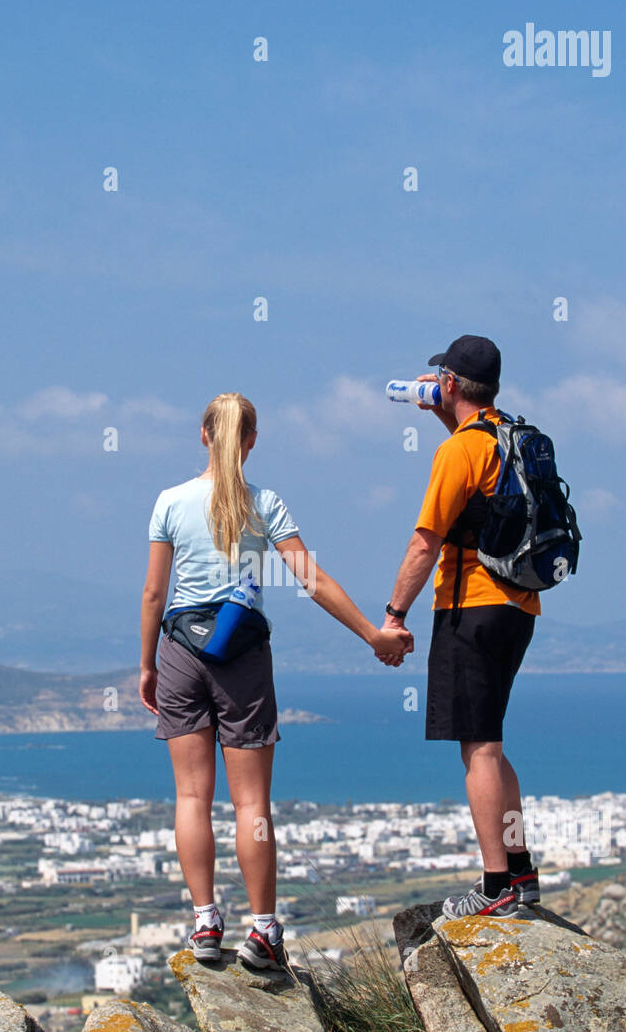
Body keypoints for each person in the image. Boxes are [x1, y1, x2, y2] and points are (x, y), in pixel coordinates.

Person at [140, 392, 411, 969]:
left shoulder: (169, 502)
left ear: (204, 435)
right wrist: (372, 634)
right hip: (243, 657)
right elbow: (310, 579)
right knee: (252, 803)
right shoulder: (266, 505)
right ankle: (262, 932)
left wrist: (147, 666)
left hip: (180, 653)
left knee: (191, 796)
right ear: (253, 441)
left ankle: (205, 923)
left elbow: (153, 595)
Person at [381, 335, 540, 920]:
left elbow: (426, 543)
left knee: (479, 748)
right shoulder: (511, 438)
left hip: (469, 607)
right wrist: (449, 419)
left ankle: (496, 883)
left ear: (448, 383)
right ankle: (521, 872)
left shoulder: (458, 453)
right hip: (518, 608)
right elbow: (484, 492)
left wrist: (394, 615)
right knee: (492, 744)